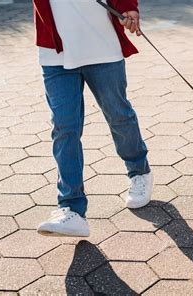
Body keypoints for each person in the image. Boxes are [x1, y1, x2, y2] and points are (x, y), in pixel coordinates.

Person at [33, 0, 153, 237]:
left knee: (118, 115)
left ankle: (139, 172)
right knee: (64, 127)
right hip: (55, 53)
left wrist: (128, 6)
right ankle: (71, 208)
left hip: (101, 46)